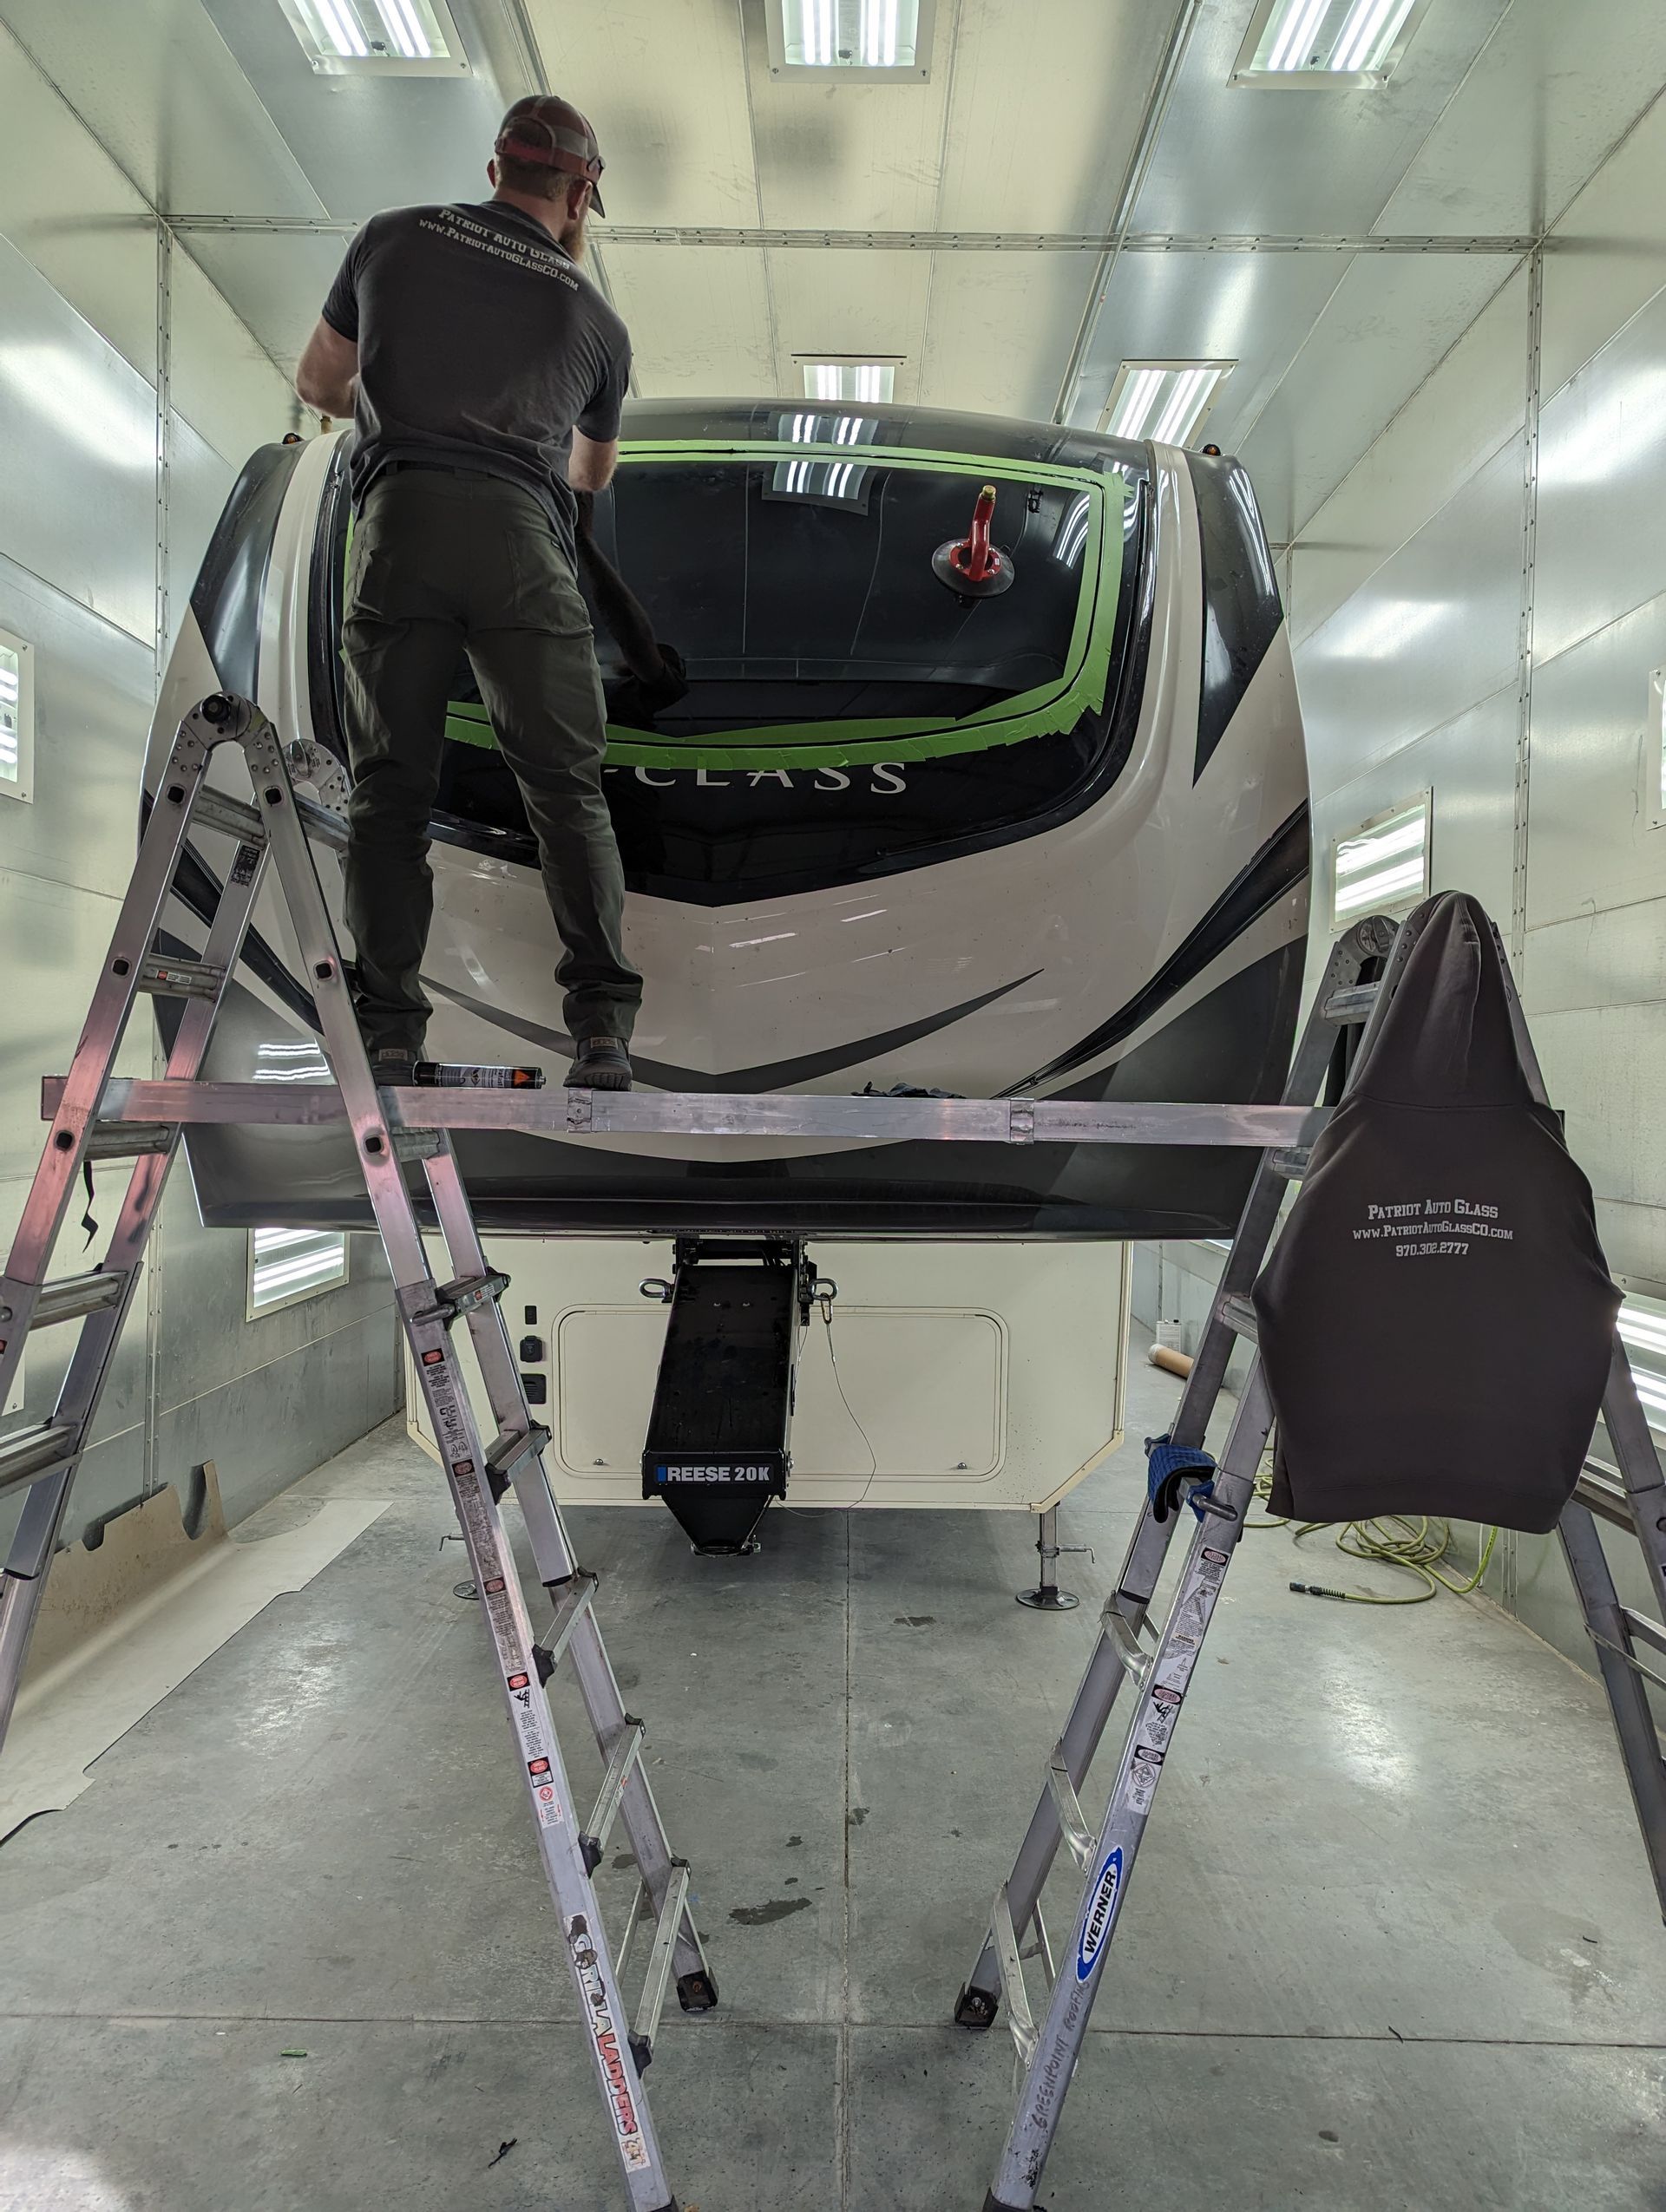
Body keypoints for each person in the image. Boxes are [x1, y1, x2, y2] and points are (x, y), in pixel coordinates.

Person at [293, 95, 640, 1090]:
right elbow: (590, 475)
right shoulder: (594, 318)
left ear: (495, 169)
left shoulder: (389, 240)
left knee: (391, 792)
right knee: (566, 793)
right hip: (520, 545)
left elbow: (321, 385)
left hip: (399, 525)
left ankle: (392, 1031)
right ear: (579, 196)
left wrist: (413, 399)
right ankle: (603, 1031)